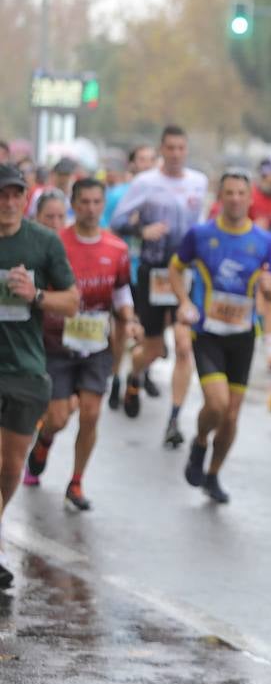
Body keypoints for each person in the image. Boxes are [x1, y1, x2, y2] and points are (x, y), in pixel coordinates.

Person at [21, 178, 138, 511]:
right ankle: (44, 441)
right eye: (83, 202)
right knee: (57, 418)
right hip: (56, 343)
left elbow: (120, 290)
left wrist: (128, 318)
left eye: (96, 202)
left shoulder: (116, 248)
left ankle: (76, 481)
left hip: (96, 344)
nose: (90, 208)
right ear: (75, 204)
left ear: (103, 205)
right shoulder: (55, 244)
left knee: (90, 413)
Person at [172, 171, 271, 503]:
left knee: (232, 415)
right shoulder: (200, 235)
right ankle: (200, 441)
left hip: (243, 335)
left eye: (241, 193)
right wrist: (184, 301)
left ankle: (213, 474)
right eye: (229, 193)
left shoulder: (264, 242)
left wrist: (269, 287)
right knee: (217, 404)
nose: (235, 199)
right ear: (220, 197)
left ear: (250, 199)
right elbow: (175, 267)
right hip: (207, 332)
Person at [0, 162, 78, 589]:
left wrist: (38, 294)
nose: (9, 202)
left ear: (25, 198)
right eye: (2, 195)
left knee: (11, 465)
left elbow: (72, 302)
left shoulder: (43, 243)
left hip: (26, 368)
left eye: (16, 194)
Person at [110, 125, 209, 446]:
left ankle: (174, 419)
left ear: (187, 150)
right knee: (152, 348)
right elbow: (118, 222)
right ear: (161, 150)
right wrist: (143, 231)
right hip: (154, 272)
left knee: (183, 345)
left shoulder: (198, 182)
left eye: (182, 148)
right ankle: (134, 373)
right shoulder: (145, 183)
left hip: (187, 272)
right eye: (170, 148)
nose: (176, 154)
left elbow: (201, 230)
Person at [103, 144, 156, 413]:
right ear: (132, 165)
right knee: (121, 328)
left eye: (151, 160)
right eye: (141, 160)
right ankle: (115, 377)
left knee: (148, 331)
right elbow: (105, 228)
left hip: (151, 272)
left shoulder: (162, 195)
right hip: (123, 270)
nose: (146, 165)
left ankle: (138, 375)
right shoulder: (117, 195)